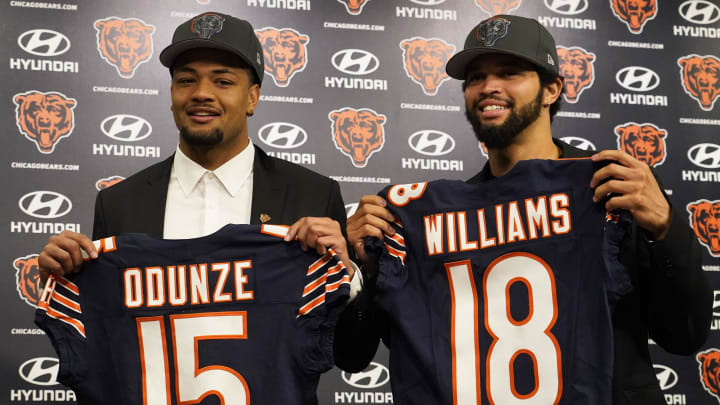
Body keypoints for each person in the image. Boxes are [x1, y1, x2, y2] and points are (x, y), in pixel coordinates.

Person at [334, 14, 711, 404]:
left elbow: (686, 335)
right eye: (476, 78)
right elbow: (352, 355)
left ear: (552, 89)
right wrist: (363, 268)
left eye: (510, 72)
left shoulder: (613, 191)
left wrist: (665, 228)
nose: (488, 87)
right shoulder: (423, 219)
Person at [38, 11, 355, 282]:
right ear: (172, 93)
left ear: (252, 97)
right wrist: (65, 286)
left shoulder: (314, 195)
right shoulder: (118, 204)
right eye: (186, 80)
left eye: (223, 81)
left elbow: (349, 352)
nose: (201, 93)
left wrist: (347, 275)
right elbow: (106, 330)